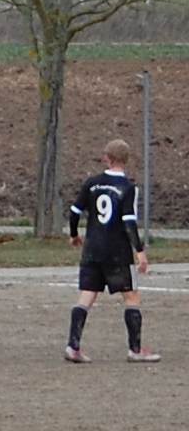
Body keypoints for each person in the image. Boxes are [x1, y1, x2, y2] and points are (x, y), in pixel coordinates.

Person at [64, 139, 160, 364]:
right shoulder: (127, 187)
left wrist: (74, 234)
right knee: (131, 296)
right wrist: (139, 251)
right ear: (126, 160)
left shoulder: (92, 183)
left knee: (86, 295)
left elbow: (74, 212)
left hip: (92, 249)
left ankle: (73, 346)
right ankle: (135, 350)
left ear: (107, 158)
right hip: (117, 251)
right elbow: (128, 222)